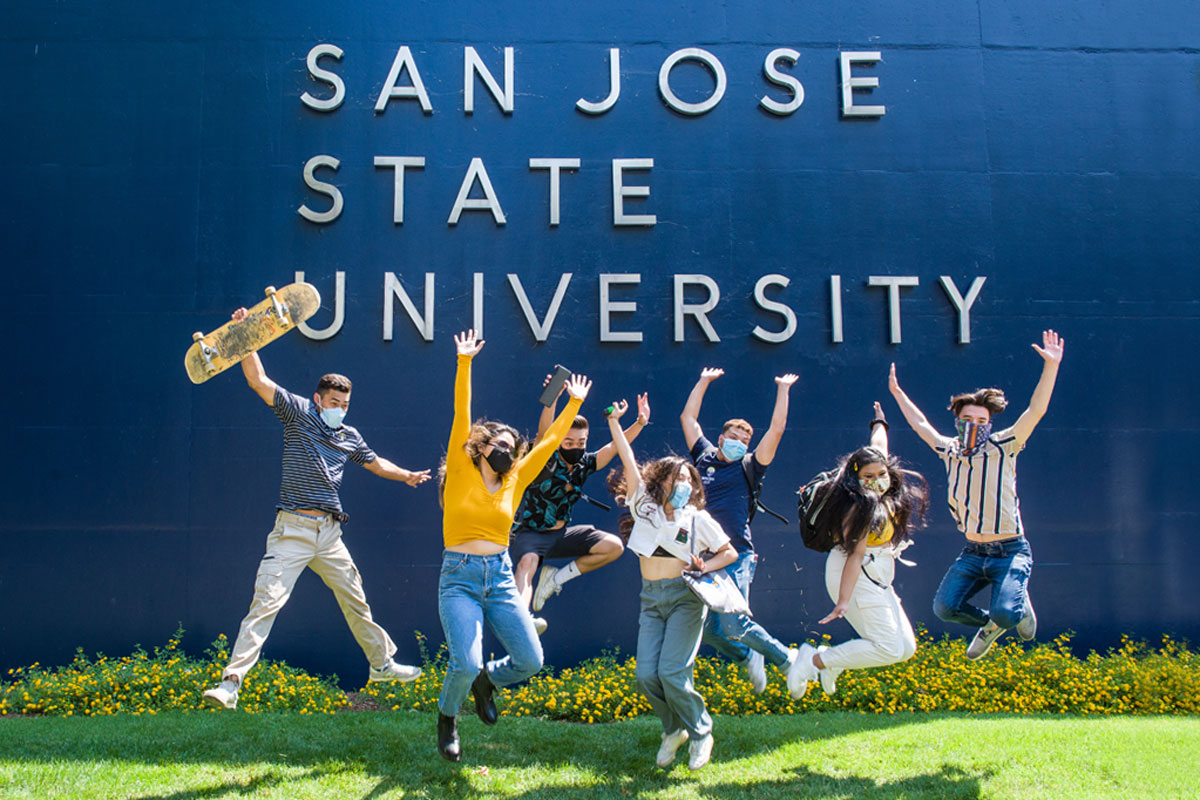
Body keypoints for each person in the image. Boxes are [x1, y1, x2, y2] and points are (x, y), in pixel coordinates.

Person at [203, 308, 431, 711]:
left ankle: (381, 665)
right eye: (334, 401)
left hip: (329, 535)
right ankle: (231, 683)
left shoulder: (349, 435)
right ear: (318, 399)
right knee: (266, 603)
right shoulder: (298, 413)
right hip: (292, 531)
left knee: (355, 599)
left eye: (344, 403)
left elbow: (377, 464)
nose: (339, 407)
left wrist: (408, 475)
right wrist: (244, 337)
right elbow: (258, 381)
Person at [436, 330, 591, 762]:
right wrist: (464, 362)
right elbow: (461, 411)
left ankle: (488, 681)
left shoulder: (515, 480)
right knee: (462, 663)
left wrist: (574, 403)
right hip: (460, 577)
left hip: (500, 577)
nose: (507, 451)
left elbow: (545, 445)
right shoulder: (461, 468)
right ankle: (448, 719)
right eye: (499, 445)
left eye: (510, 447)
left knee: (530, 661)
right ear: (480, 447)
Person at [889, 330, 1065, 660]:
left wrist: (1051, 366)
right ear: (957, 421)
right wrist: (897, 393)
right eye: (967, 419)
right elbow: (920, 424)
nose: (974, 424)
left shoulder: (1004, 446)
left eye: (981, 420)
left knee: (1007, 613)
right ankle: (991, 624)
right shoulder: (950, 449)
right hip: (972, 550)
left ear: (990, 422)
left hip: (1011, 549)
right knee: (945, 608)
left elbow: (1035, 410)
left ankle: (1013, 610)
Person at [607, 399, 738, 771]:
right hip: (651, 600)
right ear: (659, 482)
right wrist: (619, 423)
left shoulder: (698, 518)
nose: (682, 484)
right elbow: (628, 460)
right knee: (646, 674)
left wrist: (703, 566)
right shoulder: (642, 508)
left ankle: (700, 732)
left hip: (684, 599)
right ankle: (673, 729)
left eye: (687, 479)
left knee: (672, 673)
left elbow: (727, 553)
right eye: (675, 479)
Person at [786, 403, 929, 699]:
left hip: (878, 574)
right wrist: (843, 601)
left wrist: (879, 422)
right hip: (854, 572)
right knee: (887, 646)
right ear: (856, 478)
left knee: (905, 648)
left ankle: (831, 662)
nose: (877, 479)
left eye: (881, 472)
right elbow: (854, 556)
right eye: (869, 476)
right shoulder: (860, 507)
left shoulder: (882, 486)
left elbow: (878, 445)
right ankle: (812, 660)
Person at [679, 368, 803, 693]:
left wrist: (783, 389)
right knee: (711, 631)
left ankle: (787, 660)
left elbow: (777, 429)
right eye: (733, 438)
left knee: (734, 623)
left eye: (744, 440)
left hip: (737, 556)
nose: (738, 443)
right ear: (720, 438)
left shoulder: (750, 465)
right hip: (704, 558)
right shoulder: (704, 457)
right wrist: (704, 381)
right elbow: (688, 419)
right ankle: (749, 655)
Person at [514, 378, 650, 634]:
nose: (576, 447)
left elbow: (614, 447)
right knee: (528, 563)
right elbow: (545, 434)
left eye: (581, 442)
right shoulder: (542, 457)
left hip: (562, 534)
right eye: (569, 443)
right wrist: (553, 397)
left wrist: (640, 422)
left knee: (613, 547)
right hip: (530, 534)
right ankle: (522, 621)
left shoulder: (584, 464)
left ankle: (555, 579)